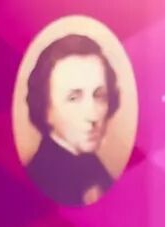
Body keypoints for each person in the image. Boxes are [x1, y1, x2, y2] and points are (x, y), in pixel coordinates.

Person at [23, 34, 120, 207]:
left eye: (99, 96)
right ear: (45, 109)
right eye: (74, 98)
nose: (93, 116)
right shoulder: (41, 178)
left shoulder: (94, 167)